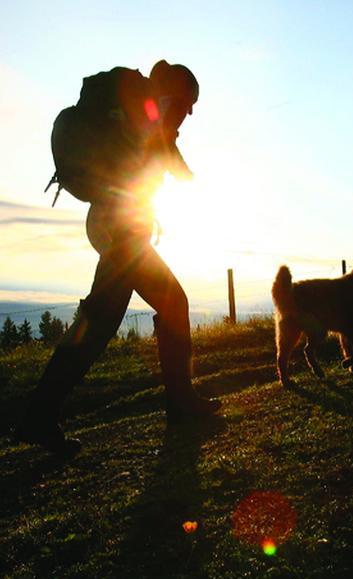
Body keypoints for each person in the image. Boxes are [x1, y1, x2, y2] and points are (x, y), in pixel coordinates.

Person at [13, 60, 219, 456]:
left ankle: (178, 402)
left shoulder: (137, 108)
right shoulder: (151, 109)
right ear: (176, 94)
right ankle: (40, 416)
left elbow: (147, 162)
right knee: (114, 318)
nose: (188, 115)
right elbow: (168, 162)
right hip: (120, 228)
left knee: (151, 308)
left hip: (114, 224)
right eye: (188, 104)